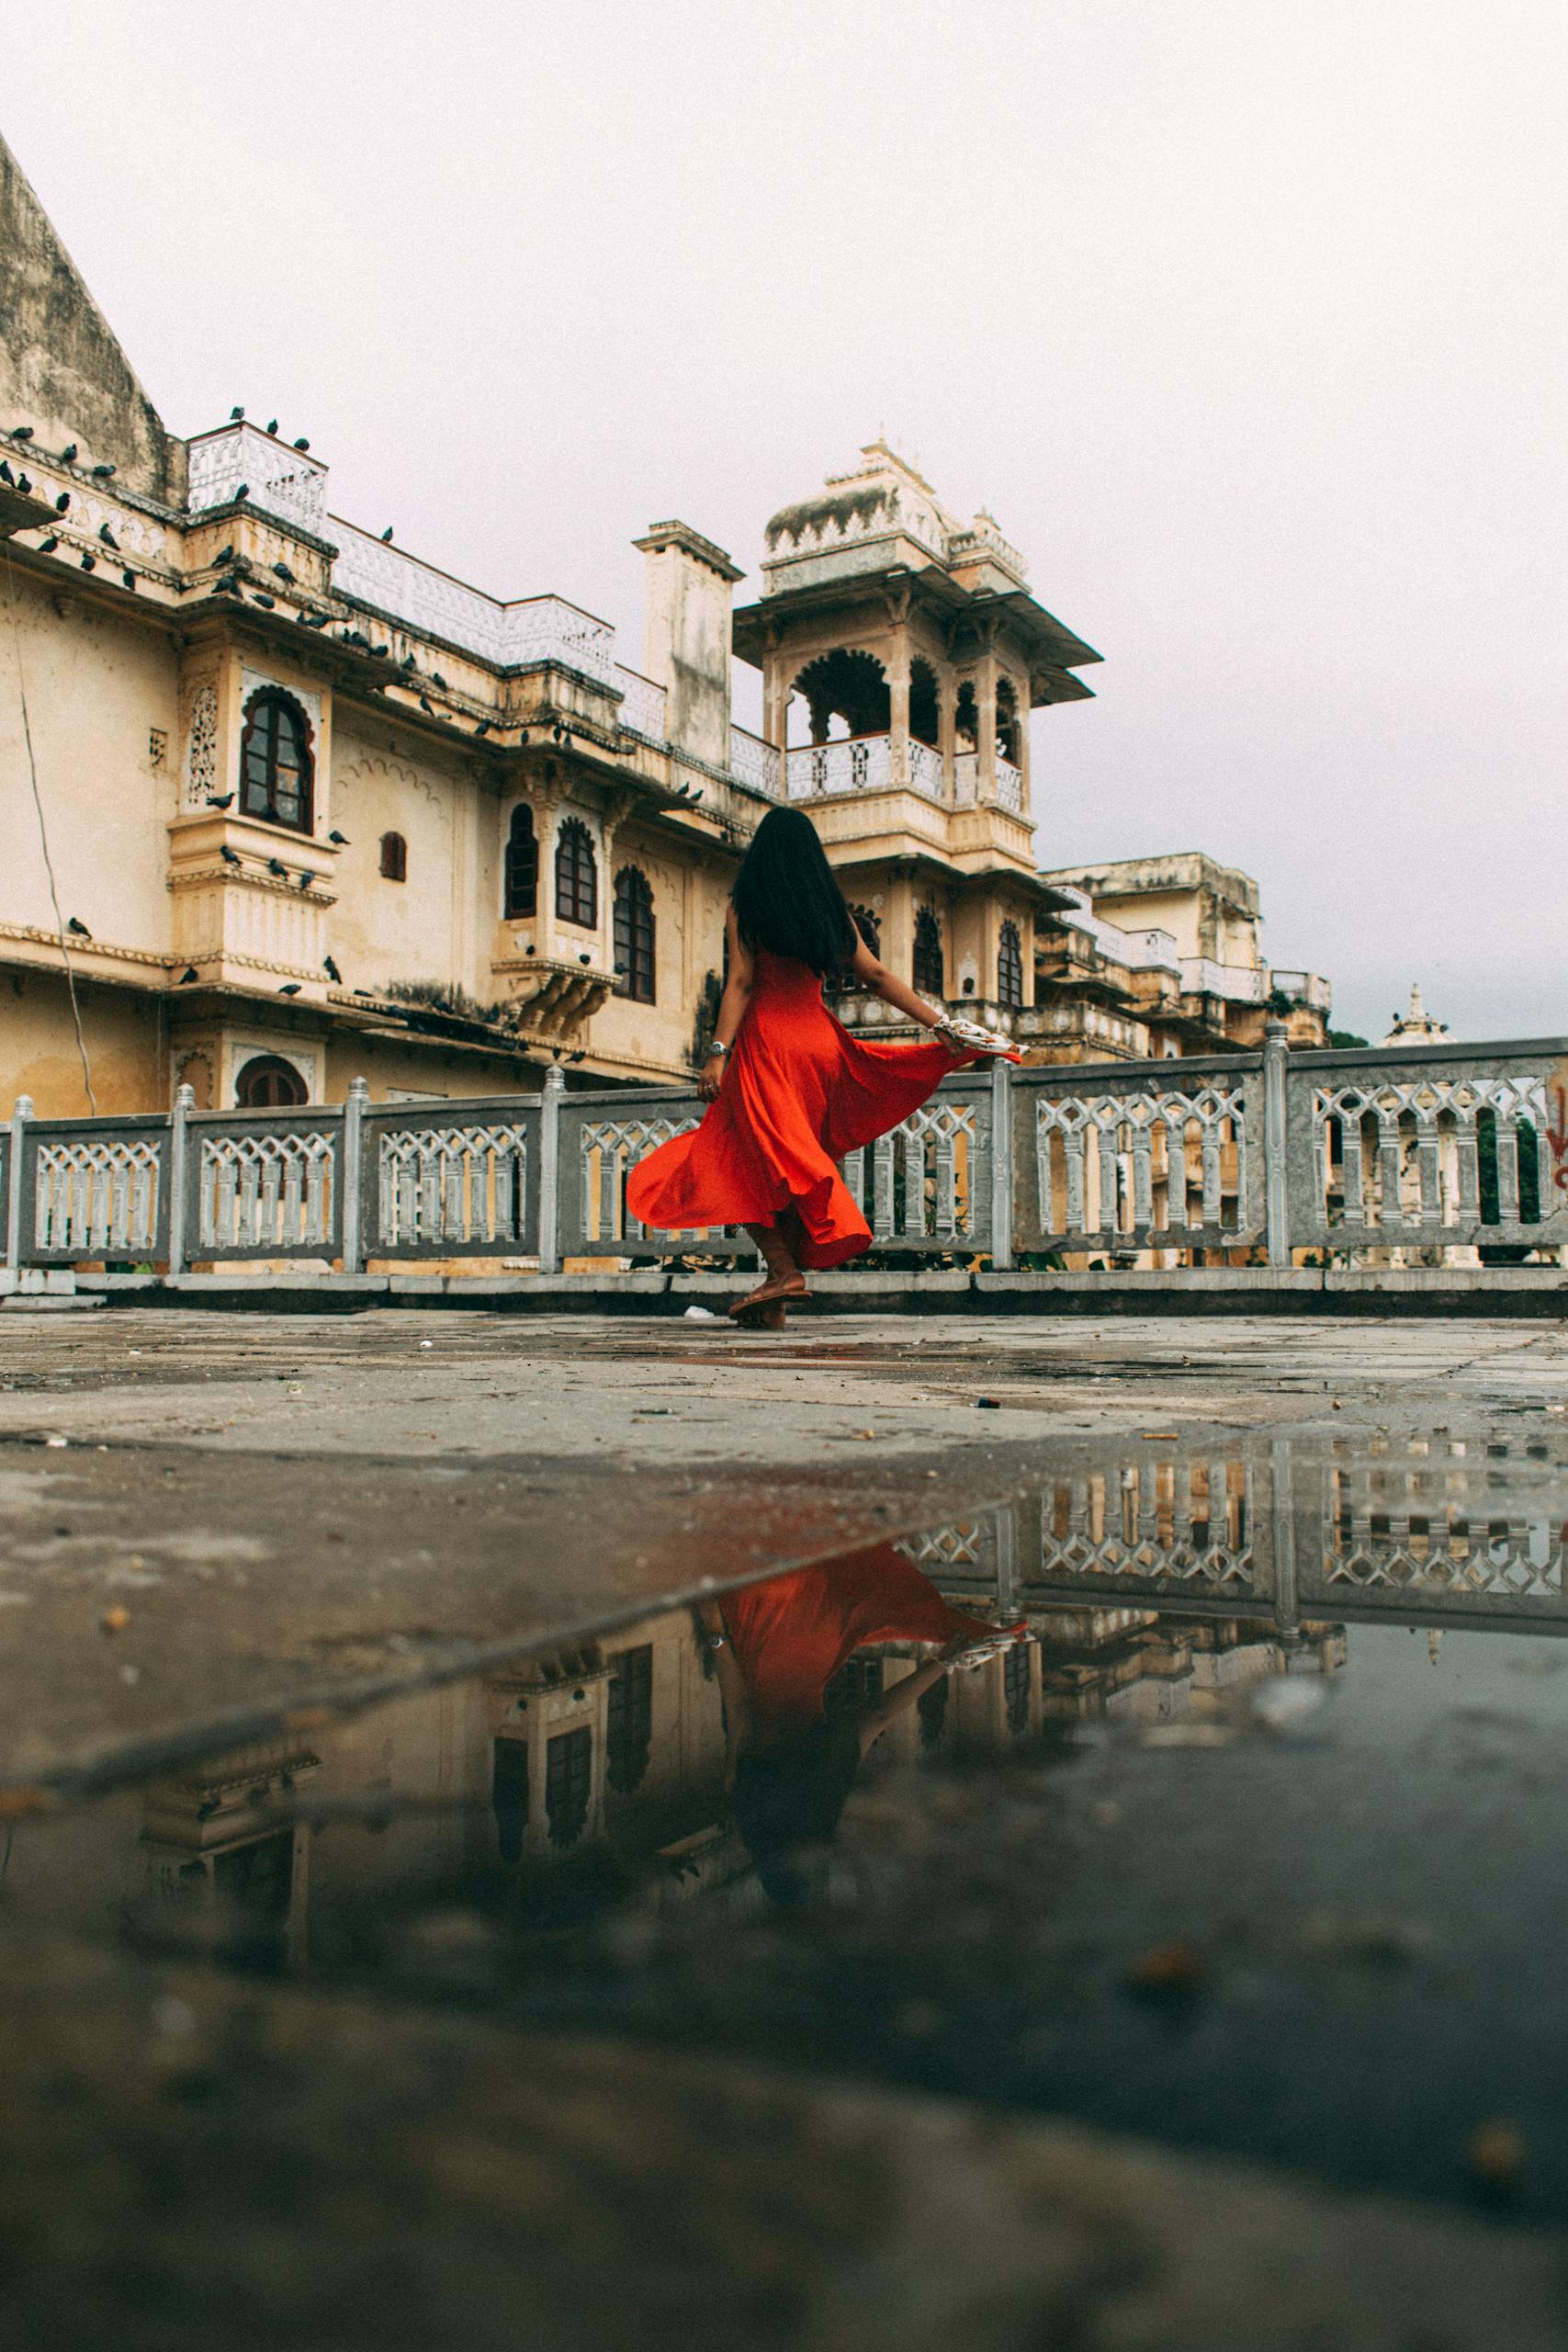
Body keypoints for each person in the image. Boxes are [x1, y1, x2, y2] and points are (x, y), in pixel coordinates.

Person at [626, 805, 1017, 1327]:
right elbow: (876, 975)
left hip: (768, 1044)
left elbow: (741, 983)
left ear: (760, 855)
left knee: (730, 1158)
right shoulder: (830, 911)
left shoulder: (746, 906)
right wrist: (943, 1026)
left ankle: (784, 1270)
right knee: (780, 1167)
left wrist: (717, 1054)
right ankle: (775, 1302)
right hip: (819, 1047)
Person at [695, 1543, 1028, 1906]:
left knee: (825, 1549)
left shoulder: (828, 1783)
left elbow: (880, 1715)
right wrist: (714, 1629)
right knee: (765, 1537)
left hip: (817, 1638)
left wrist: (943, 1661)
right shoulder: (744, 1794)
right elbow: (739, 1707)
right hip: (759, 1633)